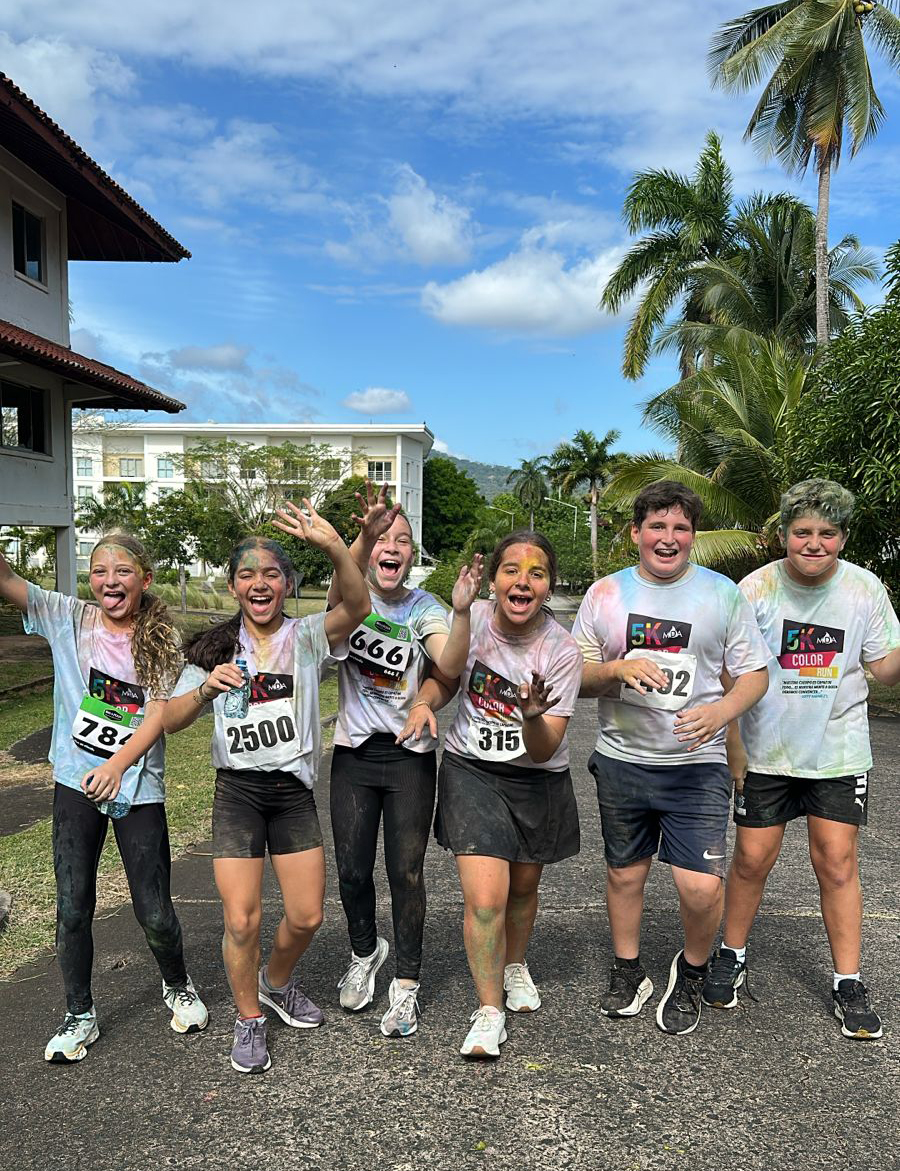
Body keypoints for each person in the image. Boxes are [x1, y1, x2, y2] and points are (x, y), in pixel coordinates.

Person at [162, 501, 368, 1074]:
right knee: (241, 920)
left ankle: (275, 983)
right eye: (248, 574)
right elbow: (170, 719)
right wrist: (205, 690)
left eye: (272, 574)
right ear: (233, 586)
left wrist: (333, 545)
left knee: (306, 917)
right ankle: (248, 1017)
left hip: (292, 794)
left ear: (288, 585)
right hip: (238, 796)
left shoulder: (305, 637)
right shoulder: (213, 649)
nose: (260, 583)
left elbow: (358, 605)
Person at [702, 480, 900, 1039]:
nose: (815, 544)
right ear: (784, 534)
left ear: (843, 538)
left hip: (838, 752)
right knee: (751, 860)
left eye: (828, 533)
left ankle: (848, 981)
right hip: (766, 751)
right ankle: (732, 953)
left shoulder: (864, 589)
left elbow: (885, 669)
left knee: (836, 862)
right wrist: (734, 743)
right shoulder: (756, 589)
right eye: (803, 532)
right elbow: (729, 673)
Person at [0, 532, 208, 1063]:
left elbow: (160, 715)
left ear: (145, 579)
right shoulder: (68, 618)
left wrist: (118, 765)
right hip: (76, 783)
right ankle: (79, 1014)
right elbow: (5, 578)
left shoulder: (161, 639)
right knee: (72, 907)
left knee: (153, 910)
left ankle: (177, 984)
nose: (109, 581)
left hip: (138, 786)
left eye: (122, 571)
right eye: (99, 571)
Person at [572, 481, 770, 1036]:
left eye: (680, 527)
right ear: (636, 532)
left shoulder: (721, 594)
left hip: (696, 764)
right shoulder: (605, 594)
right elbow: (575, 676)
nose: (668, 537)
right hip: (622, 758)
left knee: (701, 887)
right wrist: (616, 670)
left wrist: (721, 712)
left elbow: (755, 674)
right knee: (624, 874)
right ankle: (628, 970)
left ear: (692, 536)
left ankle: (692, 969)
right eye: (657, 526)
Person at [426, 530, 583, 1059]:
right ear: (493, 580)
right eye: (511, 570)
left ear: (549, 587)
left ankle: (515, 963)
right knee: (486, 899)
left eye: (537, 573)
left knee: (523, 886)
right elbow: (446, 675)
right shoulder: (471, 623)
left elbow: (543, 749)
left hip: (536, 777)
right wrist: (461, 617)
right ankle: (489, 1011)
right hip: (472, 771)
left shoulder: (561, 651)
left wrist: (532, 715)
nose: (523, 581)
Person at [327, 483, 473, 1038]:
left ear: (413, 554)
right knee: (351, 869)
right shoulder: (352, 597)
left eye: (403, 540)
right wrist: (360, 539)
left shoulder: (423, 608)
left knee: (405, 872)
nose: (392, 547)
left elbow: (448, 663)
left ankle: (407, 983)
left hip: (409, 755)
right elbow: (339, 598)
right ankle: (365, 951)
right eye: (383, 539)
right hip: (353, 753)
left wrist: (461, 613)